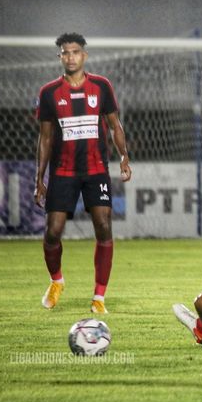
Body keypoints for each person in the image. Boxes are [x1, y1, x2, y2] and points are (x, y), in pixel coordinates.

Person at [34, 32, 132, 314]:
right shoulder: (49, 93)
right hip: (63, 171)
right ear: (60, 57)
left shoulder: (101, 86)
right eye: (65, 52)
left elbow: (115, 126)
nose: (70, 57)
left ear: (84, 56)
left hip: (96, 170)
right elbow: (46, 138)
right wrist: (39, 178)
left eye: (75, 52)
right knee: (53, 232)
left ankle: (99, 298)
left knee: (104, 226)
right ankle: (56, 281)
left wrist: (125, 157)